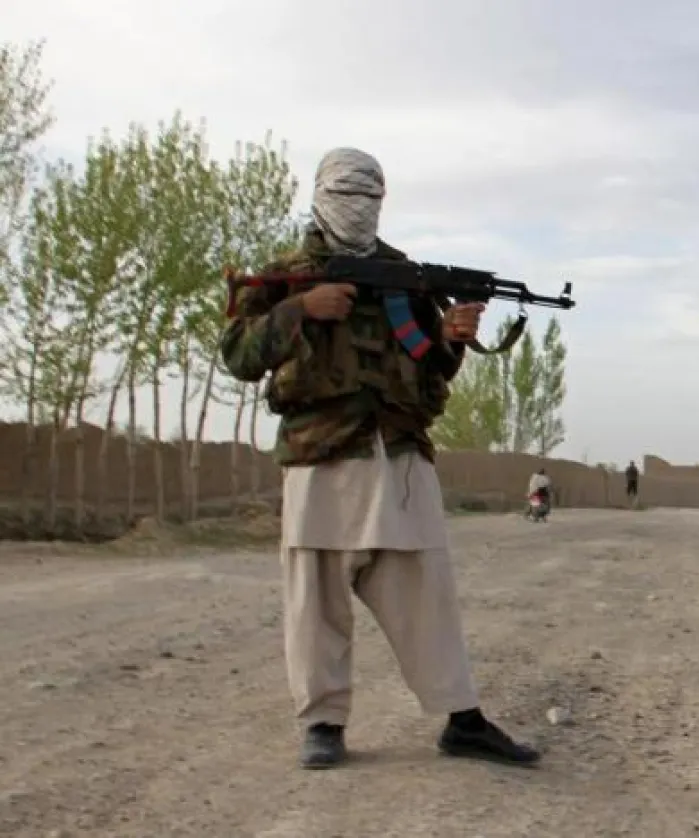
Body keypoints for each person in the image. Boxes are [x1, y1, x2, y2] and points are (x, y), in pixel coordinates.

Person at [219, 147, 541, 769]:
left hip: (397, 451)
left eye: (370, 197)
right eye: (347, 196)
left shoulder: (404, 278)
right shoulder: (283, 277)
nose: (358, 208)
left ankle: (462, 718)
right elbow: (238, 356)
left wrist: (451, 337)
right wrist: (300, 309)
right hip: (319, 453)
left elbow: (429, 365)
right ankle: (323, 723)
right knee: (316, 596)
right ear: (320, 198)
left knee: (426, 590)